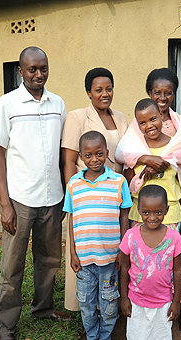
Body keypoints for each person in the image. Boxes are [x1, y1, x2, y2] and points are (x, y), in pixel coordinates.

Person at [0, 46, 71, 340]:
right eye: (32, 69)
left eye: (43, 68)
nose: (38, 74)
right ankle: (5, 325)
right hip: (20, 200)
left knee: (49, 261)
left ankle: (43, 309)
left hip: (53, 198)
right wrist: (4, 202)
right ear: (20, 71)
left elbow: (64, 152)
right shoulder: (7, 104)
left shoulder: (58, 104)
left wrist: (64, 194)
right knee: (12, 266)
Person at [115, 98, 181, 332]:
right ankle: (139, 307)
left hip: (172, 216)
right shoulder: (136, 146)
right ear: (137, 125)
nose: (149, 125)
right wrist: (145, 163)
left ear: (162, 119)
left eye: (153, 119)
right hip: (140, 215)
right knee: (140, 263)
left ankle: (168, 308)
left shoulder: (176, 145)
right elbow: (129, 175)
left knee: (166, 266)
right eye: (142, 122)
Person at [61, 67, 128, 311]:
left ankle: (110, 304)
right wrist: (74, 194)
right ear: (88, 92)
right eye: (98, 89)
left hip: (114, 192)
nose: (104, 94)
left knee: (111, 247)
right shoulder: (77, 117)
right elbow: (69, 160)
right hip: (85, 194)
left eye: (108, 88)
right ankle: (84, 305)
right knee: (86, 246)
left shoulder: (120, 117)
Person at [146, 67, 181, 331]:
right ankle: (153, 306)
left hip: (180, 200)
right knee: (153, 259)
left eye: (168, 92)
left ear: (174, 94)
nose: (162, 97)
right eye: (157, 92)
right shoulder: (141, 124)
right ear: (149, 92)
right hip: (149, 208)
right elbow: (129, 154)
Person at [63, 131, 132, 340]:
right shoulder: (73, 185)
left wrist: (122, 250)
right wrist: (73, 253)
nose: (95, 159)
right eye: (89, 155)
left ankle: (105, 335)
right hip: (84, 260)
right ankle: (92, 336)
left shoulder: (118, 182)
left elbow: (125, 216)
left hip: (110, 259)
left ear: (107, 153)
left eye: (100, 154)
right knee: (86, 303)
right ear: (81, 157)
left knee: (109, 303)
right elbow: (71, 220)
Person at [120, 184, 181, 340]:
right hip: (136, 300)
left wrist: (176, 302)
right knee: (136, 335)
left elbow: (177, 271)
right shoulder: (130, 236)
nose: (152, 217)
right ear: (138, 210)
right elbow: (124, 268)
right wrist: (124, 298)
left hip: (163, 302)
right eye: (146, 212)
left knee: (160, 335)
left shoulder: (174, 238)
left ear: (167, 210)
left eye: (158, 212)